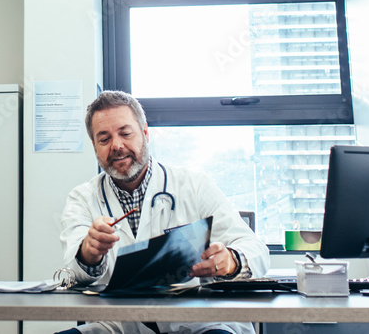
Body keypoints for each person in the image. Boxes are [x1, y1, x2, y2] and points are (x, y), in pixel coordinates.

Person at [59, 90, 269, 334]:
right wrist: (88, 253)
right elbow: (72, 276)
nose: (117, 145)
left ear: (145, 133)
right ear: (95, 147)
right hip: (120, 325)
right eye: (104, 139)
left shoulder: (194, 185)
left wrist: (231, 261)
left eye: (126, 133)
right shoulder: (82, 198)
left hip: (199, 323)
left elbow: (257, 251)